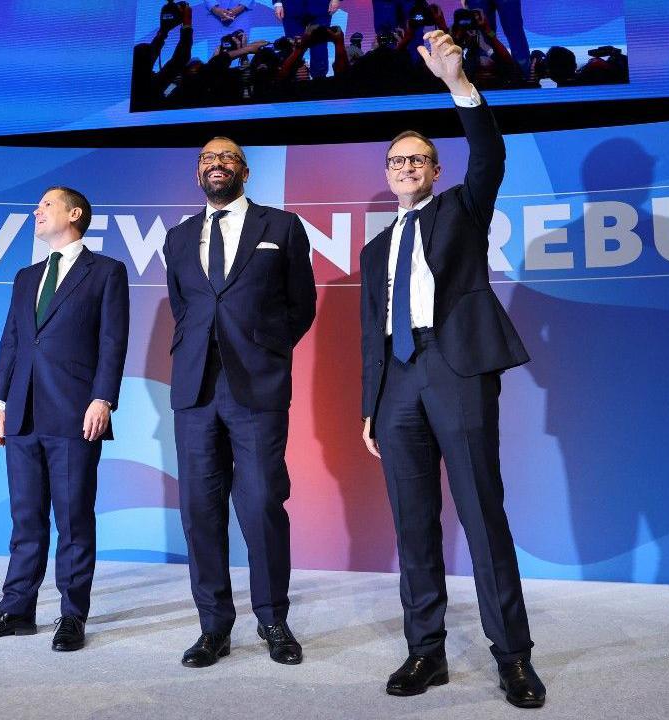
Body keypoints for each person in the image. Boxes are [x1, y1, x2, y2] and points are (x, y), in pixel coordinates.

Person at [358, 30, 545, 706]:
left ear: (436, 171)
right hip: (398, 386)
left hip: (456, 368)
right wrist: (370, 406)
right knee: (413, 524)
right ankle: (426, 652)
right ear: (386, 174)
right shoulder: (375, 251)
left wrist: (458, 85)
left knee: (481, 512)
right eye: (396, 160)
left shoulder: (463, 210)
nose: (406, 166)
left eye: (419, 159)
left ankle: (514, 657)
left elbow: (490, 153)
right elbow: (369, 333)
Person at [163, 136, 316, 667]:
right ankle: (213, 626)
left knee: (260, 504)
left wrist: (265, 351)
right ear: (197, 174)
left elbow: (302, 305)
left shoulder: (281, 227)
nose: (216, 165)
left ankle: (273, 619)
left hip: (257, 387)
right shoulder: (178, 238)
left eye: (226, 158)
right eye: (206, 158)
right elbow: (185, 309)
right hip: (194, 390)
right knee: (199, 512)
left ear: (245, 171)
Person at [0, 187, 128, 652]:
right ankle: (16, 609)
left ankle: (72, 615)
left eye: (46, 205)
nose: (37, 211)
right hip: (22, 414)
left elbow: (113, 341)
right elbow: (12, 342)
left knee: (73, 519)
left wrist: (103, 399)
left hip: (76, 413)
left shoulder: (106, 272)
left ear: (74, 214)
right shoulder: (26, 276)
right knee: (25, 518)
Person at [275, 0, 341, 78]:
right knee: (293, 47)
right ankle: (291, 79)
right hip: (291, 7)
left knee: (320, 46)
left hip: (320, 7)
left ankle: (320, 80)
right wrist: (277, 3)